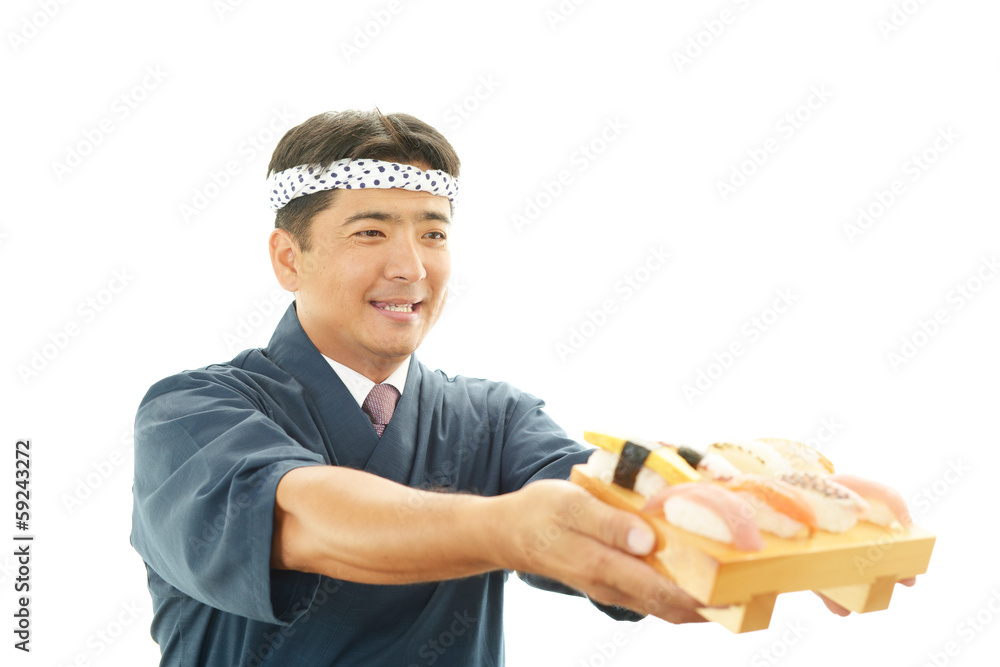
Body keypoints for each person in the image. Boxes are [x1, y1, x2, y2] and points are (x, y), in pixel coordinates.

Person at [130, 108, 706, 667]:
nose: (411, 267)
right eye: (371, 232)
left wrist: (679, 508)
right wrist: (508, 527)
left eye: (433, 233)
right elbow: (302, 520)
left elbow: (590, 501)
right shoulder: (190, 413)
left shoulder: (494, 419)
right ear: (288, 259)